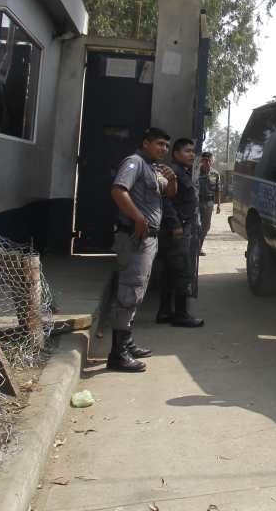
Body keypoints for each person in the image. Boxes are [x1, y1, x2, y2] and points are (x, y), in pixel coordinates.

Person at [108, 127, 177, 372]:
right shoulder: (134, 162)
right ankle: (117, 354)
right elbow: (118, 190)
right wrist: (138, 217)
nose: (163, 149)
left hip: (149, 239)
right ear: (146, 143)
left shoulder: (153, 168)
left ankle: (127, 342)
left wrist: (173, 179)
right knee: (129, 291)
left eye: (166, 146)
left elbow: (169, 193)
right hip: (134, 237)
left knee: (137, 290)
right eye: (159, 144)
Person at [157, 137, 205, 327]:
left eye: (193, 151)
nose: (192, 155)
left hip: (183, 227)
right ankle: (181, 314)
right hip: (178, 229)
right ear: (176, 154)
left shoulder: (183, 172)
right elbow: (166, 201)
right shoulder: (173, 172)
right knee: (182, 271)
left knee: (171, 271)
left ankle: (165, 312)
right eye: (187, 151)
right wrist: (176, 224)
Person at [197, 151, 221, 256]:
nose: (207, 162)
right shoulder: (196, 172)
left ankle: (199, 247)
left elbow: (218, 190)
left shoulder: (215, 174)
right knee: (196, 224)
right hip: (197, 202)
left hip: (209, 203)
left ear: (212, 161)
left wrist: (218, 205)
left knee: (206, 226)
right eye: (204, 160)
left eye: (209, 160)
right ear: (201, 161)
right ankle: (194, 247)